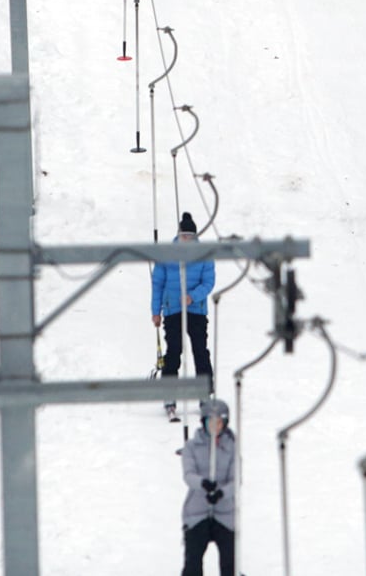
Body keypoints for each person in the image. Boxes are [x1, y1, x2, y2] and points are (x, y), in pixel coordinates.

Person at [152, 212, 215, 418]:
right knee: (174, 351)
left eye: (190, 235)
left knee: (200, 351)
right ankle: (169, 395)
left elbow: (208, 283)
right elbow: (158, 284)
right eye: (183, 235)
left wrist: (192, 297)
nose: (186, 239)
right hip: (172, 310)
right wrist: (156, 311)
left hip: (196, 311)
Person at [179, 398, 236, 576]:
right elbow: (188, 475)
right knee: (193, 564)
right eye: (211, 422)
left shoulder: (231, 447)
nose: (215, 427)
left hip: (224, 514)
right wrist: (203, 483)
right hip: (197, 513)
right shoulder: (192, 446)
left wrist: (221, 493)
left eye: (219, 422)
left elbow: (236, 480)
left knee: (230, 563)